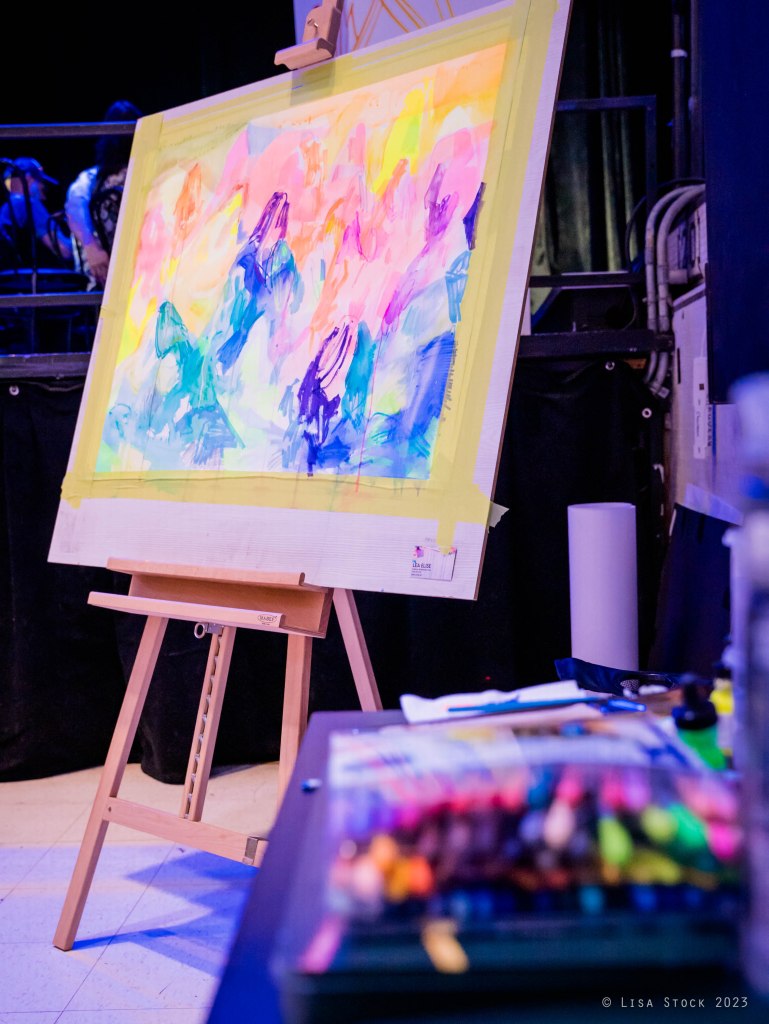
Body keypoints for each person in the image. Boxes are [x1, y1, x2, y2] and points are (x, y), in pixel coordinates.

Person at [65, 99, 141, 290]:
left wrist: (91, 246)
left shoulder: (93, 179)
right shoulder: (147, 174)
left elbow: (74, 202)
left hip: (106, 274)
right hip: (141, 270)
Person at [0, 156, 74, 269]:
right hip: (30, 277)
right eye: (41, 183)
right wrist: (82, 237)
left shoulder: (6, 208)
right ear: (28, 179)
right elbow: (64, 251)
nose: (43, 191)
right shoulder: (29, 204)